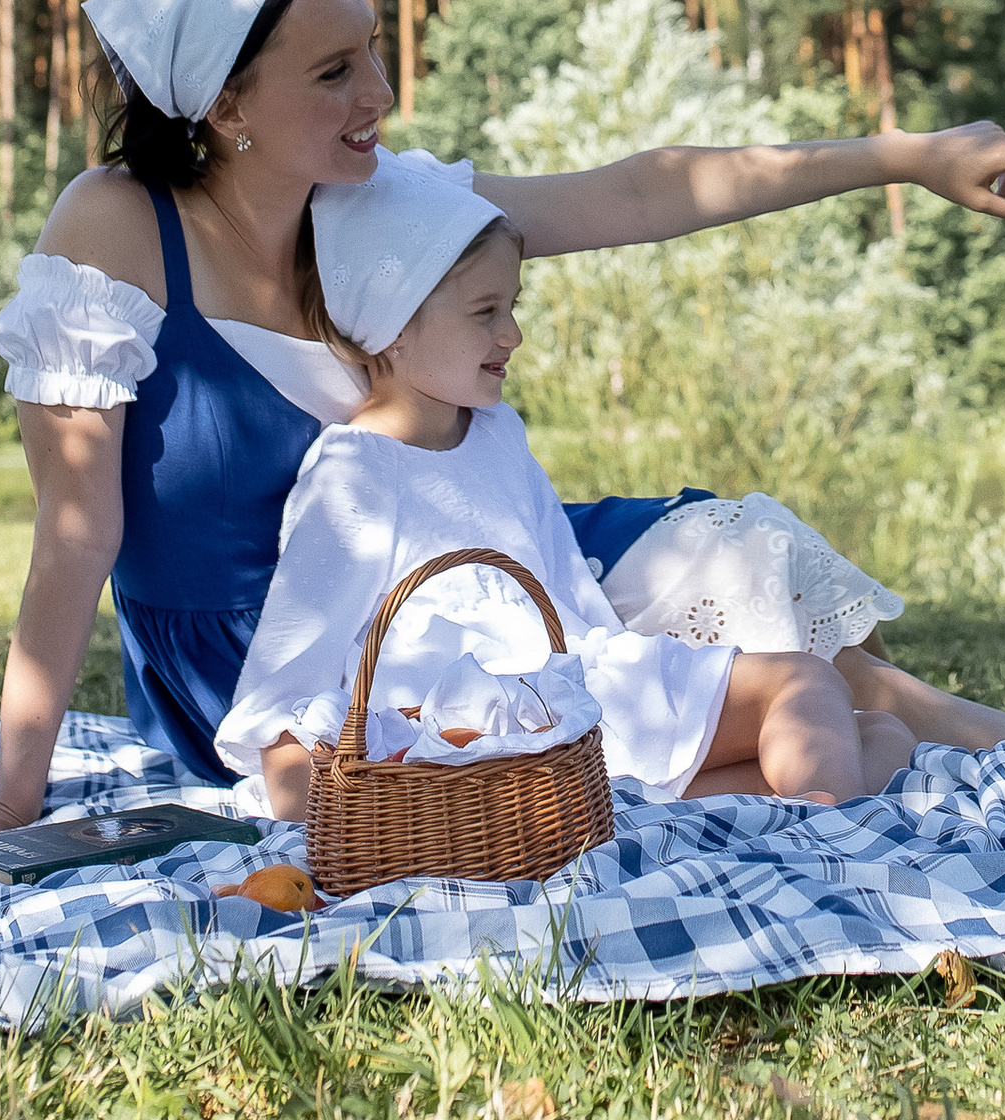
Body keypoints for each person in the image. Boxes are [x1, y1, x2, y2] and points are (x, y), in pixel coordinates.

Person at [0, 0, 1005, 833]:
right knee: (719, 667)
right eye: (337, 71)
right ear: (227, 106)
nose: (380, 96)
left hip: (478, 579)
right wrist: (17, 790)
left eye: (377, 54)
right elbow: (76, 534)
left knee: (736, 560)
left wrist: (903, 157)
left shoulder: (381, 204)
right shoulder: (114, 227)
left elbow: (645, 194)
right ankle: (934, 766)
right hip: (293, 667)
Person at [218, 151, 916, 812]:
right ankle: (833, 854)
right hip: (478, 733)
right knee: (805, 683)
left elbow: (568, 600)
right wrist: (303, 798)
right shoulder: (355, 472)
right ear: (393, 328)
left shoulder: (496, 434)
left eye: (511, 306)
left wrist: (643, 680)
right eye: (486, 311)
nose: (512, 334)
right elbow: (289, 673)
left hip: (572, 702)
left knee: (881, 738)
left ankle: (759, 825)